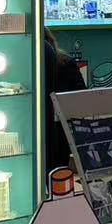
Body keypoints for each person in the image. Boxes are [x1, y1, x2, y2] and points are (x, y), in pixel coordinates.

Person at [41, 29, 87, 174]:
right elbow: (82, 95)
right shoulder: (66, 62)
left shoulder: (32, 66)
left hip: (44, 128)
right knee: (59, 172)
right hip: (63, 128)